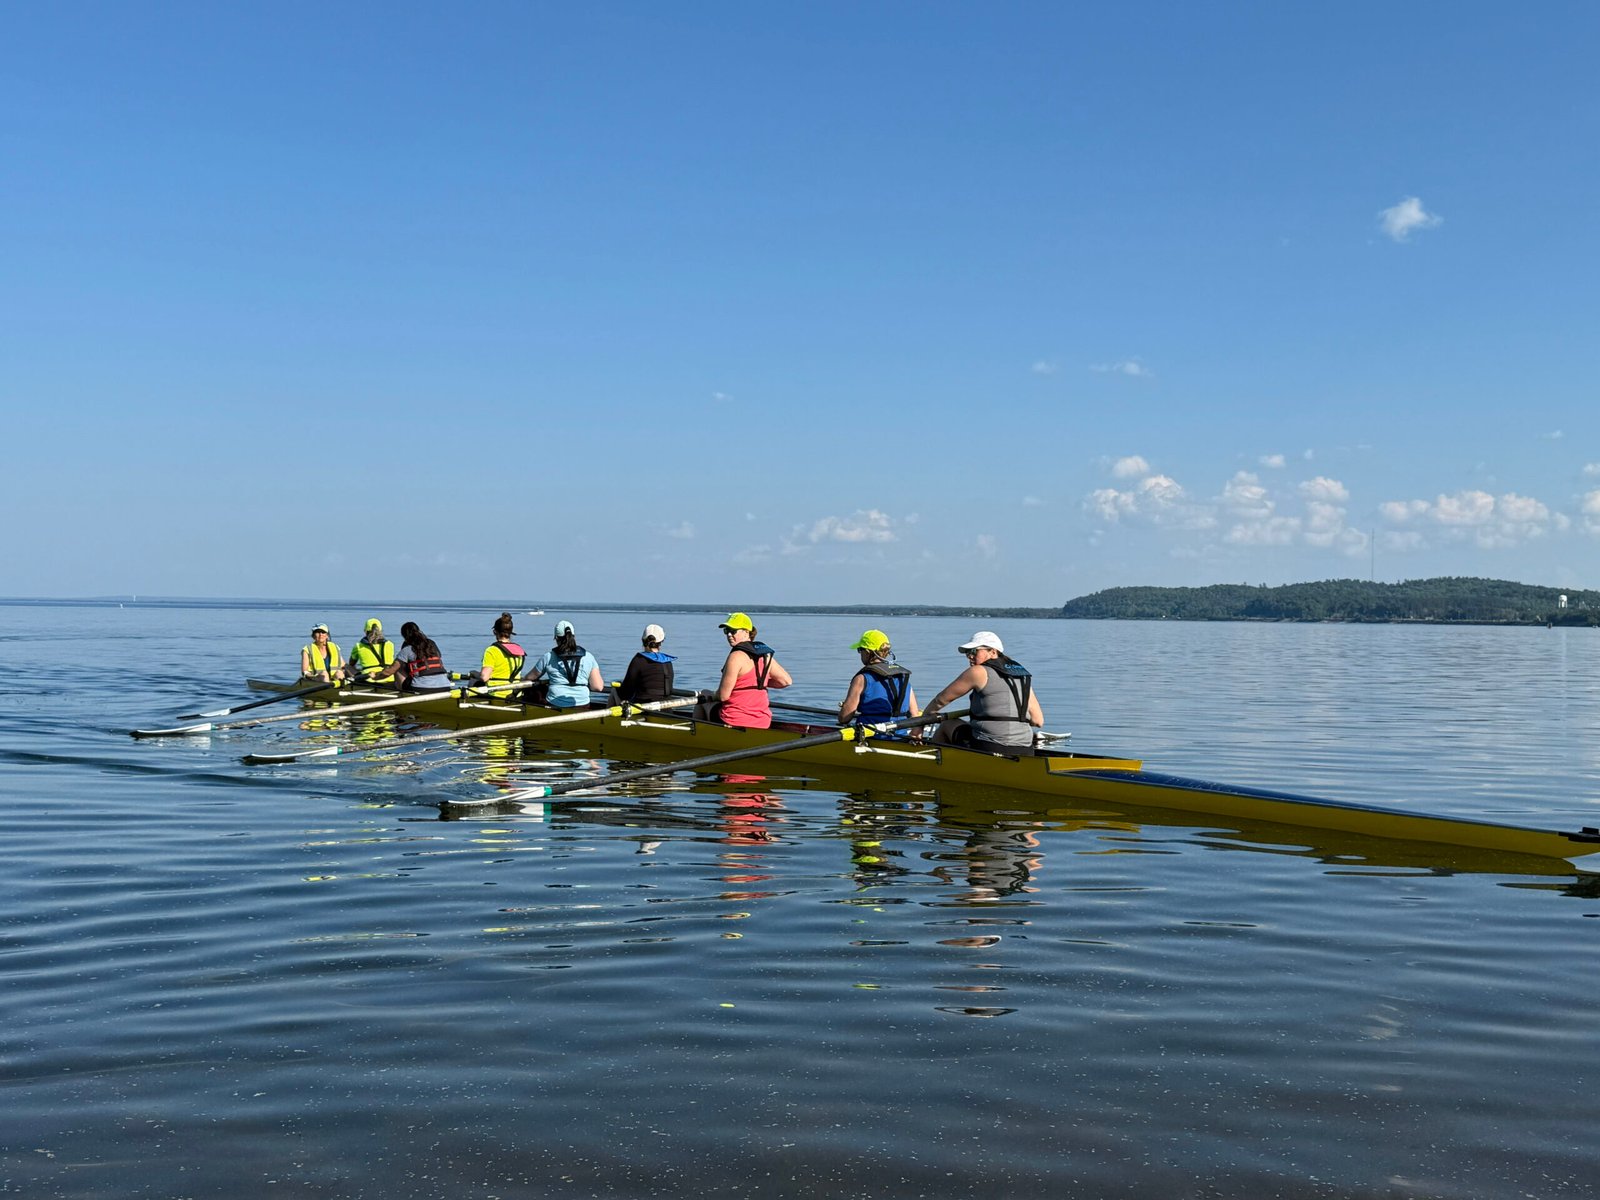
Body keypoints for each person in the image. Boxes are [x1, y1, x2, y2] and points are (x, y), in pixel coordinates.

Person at [920, 631, 1044, 754]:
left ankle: (934, 761)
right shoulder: (1020, 675)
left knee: (947, 724)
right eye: (968, 653)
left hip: (990, 747)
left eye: (974, 651)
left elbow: (940, 700)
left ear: (993, 652)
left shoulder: (978, 671)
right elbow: (1038, 721)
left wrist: (920, 724)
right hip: (1026, 750)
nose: (970, 656)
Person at [703, 612, 792, 729]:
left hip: (734, 720)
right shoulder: (765, 655)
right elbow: (785, 681)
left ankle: (696, 738)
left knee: (704, 695)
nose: (729, 634)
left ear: (746, 632)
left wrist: (712, 695)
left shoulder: (735, 657)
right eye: (726, 631)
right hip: (763, 722)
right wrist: (755, 682)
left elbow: (723, 696)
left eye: (733, 631)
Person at [838, 629, 919, 727]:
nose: (860, 654)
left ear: (868, 652)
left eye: (860, 650)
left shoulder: (861, 679)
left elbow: (844, 718)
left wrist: (844, 708)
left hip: (871, 735)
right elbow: (914, 714)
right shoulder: (902, 676)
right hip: (900, 735)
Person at [528, 619, 605, 708]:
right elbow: (598, 687)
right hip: (582, 704)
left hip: (556, 703)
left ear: (556, 638)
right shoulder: (589, 656)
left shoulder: (548, 657)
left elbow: (529, 677)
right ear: (574, 636)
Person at [379, 621, 452, 691]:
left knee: (398, 668)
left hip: (422, 688)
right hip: (445, 686)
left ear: (404, 635)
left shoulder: (407, 649)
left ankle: (401, 693)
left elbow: (389, 671)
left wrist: (375, 676)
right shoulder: (432, 645)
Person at [617, 623, 676, 704]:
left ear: (643, 641)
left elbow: (626, 692)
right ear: (661, 642)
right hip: (666, 707)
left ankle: (606, 716)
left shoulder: (638, 660)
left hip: (644, 708)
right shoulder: (667, 662)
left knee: (614, 692)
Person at [477, 612, 527, 693]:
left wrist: (475, 675)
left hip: (496, 693)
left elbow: (484, 677)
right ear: (511, 633)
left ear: (494, 632)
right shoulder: (519, 650)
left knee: (473, 682)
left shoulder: (491, 650)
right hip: (514, 693)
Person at [347, 618, 396, 683]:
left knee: (346, 666)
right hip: (389, 677)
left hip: (369, 679)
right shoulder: (390, 644)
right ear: (380, 630)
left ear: (365, 631)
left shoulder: (358, 646)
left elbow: (352, 663)